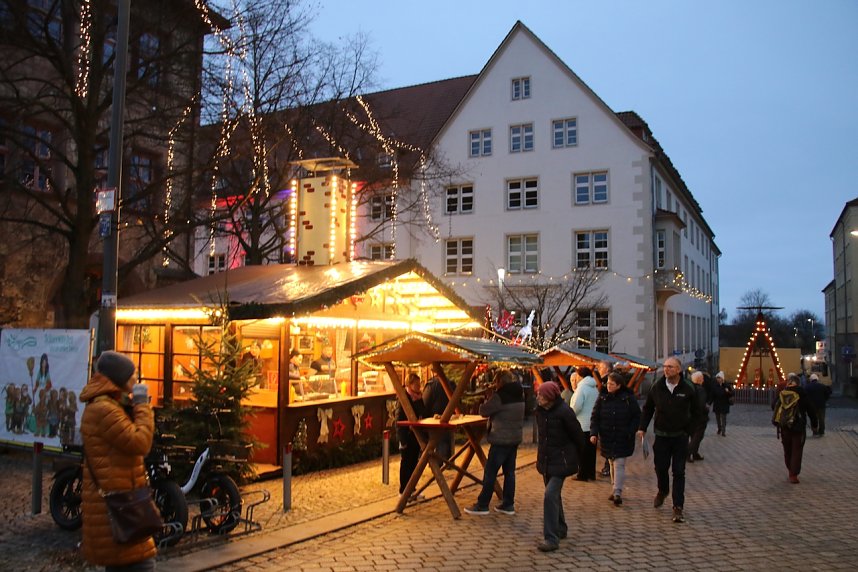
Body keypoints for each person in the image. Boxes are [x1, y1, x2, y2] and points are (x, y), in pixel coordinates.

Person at [80, 350, 156, 571]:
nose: (135, 381)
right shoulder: (104, 410)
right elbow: (140, 442)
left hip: (123, 507)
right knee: (143, 564)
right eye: (132, 377)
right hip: (119, 512)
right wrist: (142, 404)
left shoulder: (109, 406)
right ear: (119, 379)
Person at [637, 357, 702, 524]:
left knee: (679, 472)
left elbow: (698, 412)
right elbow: (648, 408)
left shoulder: (688, 388)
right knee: (660, 468)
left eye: (671, 367)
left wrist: (690, 431)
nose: (667, 369)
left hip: (680, 436)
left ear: (679, 369)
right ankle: (663, 490)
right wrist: (642, 427)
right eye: (665, 367)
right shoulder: (657, 387)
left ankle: (677, 507)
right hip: (661, 436)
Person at [464, 369, 525, 515]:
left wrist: (487, 398)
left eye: (496, 382)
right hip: (515, 437)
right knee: (510, 473)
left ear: (500, 382)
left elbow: (484, 411)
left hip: (500, 438)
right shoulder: (520, 394)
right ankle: (508, 504)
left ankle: (483, 504)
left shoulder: (500, 396)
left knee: (490, 472)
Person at [534, 381, 586, 552]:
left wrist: (579, 458)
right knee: (554, 496)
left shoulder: (565, 412)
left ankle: (551, 538)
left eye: (541, 395)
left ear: (549, 397)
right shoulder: (540, 412)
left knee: (549, 496)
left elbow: (578, 435)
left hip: (562, 461)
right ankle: (561, 528)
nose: (538, 397)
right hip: (547, 461)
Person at [589, 371, 640, 506]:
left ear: (619, 385)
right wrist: (594, 433)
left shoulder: (628, 398)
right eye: (608, 383)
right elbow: (595, 417)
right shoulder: (602, 397)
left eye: (612, 384)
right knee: (611, 461)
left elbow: (636, 416)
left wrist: (630, 431)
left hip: (623, 436)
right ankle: (614, 487)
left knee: (619, 463)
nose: (608, 386)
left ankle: (617, 492)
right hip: (607, 435)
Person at [773, 373, 818, 483]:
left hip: (784, 426)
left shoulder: (783, 393)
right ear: (798, 383)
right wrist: (814, 424)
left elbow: (774, 406)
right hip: (798, 426)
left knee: (787, 449)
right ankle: (793, 474)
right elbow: (811, 410)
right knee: (797, 450)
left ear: (789, 383)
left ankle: (790, 469)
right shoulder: (802, 394)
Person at [396, 373, 426, 497]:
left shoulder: (418, 397)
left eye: (419, 384)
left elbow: (423, 412)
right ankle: (403, 490)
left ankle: (412, 488)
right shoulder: (404, 398)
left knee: (414, 462)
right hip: (407, 435)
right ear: (410, 384)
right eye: (416, 384)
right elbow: (399, 418)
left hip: (416, 435)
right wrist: (402, 440)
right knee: (406, 463)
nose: (418, 386)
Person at [570, 365, 598, 481]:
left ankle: (582, 474)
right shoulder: (594, 388)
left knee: (582, 450)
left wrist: (571, 415)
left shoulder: (581, 388)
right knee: (591, 452)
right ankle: (591, 473)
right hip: (592, 424)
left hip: (581, 423)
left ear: (581, 376)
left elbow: (576, 406)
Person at [422, 374, 456, 460]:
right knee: (446, 440)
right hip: (450, 418)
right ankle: (448, 461)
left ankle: (437, 467)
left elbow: (425, 404)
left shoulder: (432, 385)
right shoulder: (452, 384)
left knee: (437, 443)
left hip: (434, 420)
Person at [593, 360, 613, 477]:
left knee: (608, 445)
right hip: (609, 418)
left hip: (607, 419)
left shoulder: (606, 382)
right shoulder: (610, 380)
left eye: (600, 369)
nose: (599, 371)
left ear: (605, 369)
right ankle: (609, 466)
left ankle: (608, 467)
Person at [687, 371, 710, 462]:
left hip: (691, 416)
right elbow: (700, 404)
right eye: (702, 378)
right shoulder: (700, 390)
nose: (703, 380)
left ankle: (695, 453)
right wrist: (706, 409)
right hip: (699, 417)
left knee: (694, 435)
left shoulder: (690, 387)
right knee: (697, 437)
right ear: (699, 379)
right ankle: (688, 453)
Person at [711, 371, 734, 436]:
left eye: (719, 378)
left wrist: (728, 392)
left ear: (722, 378)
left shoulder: (727, 385)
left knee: (723, 418)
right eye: (717, 378)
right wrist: (709, 403)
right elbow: (712, 395)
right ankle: (719, 428)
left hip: (724, 404)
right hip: (717, 404)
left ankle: (723, 431)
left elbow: (732, 393)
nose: (718, 379)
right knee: (718, 418)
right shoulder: (715, 385)